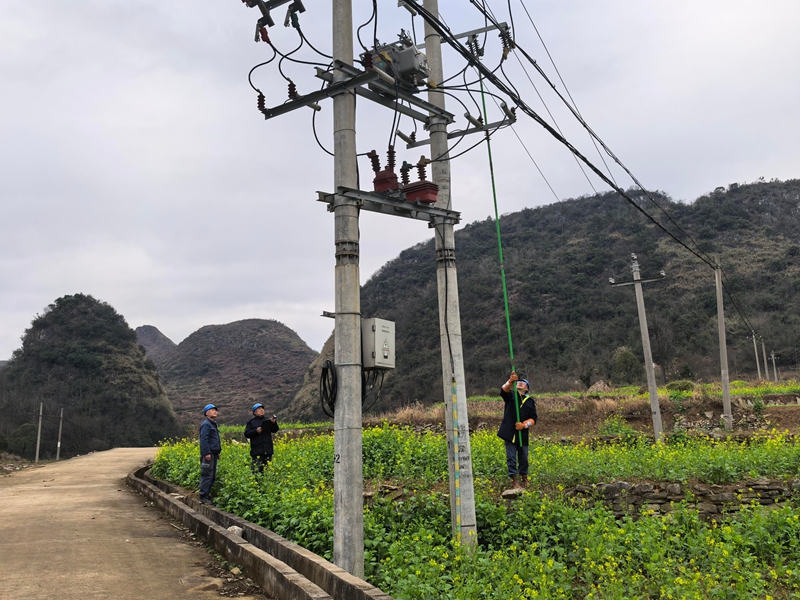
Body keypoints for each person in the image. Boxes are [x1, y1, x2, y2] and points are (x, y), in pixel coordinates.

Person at [497, 372, 537, 489]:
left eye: (523, 383)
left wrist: (524, 425)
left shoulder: (530, 402)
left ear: (527, 388)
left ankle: (524, 477)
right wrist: (510, 381)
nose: (520, 383)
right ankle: (514, 480)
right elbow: (503, 390)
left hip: (522, 434)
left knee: (524, 457)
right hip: (510, 433)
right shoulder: (511, 395)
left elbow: (533, 419)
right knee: (511, 457)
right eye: (518, 382)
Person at [244, 403, 279, 474]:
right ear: (255, 412)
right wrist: (256, 431)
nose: (261, 410)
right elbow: (247, 434)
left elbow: (275, 430)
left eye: (262, 409)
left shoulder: (268, 420)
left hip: (268, 450)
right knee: (256, 471)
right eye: (259, 409)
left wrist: (273, 423)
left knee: (267, 471)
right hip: (257, 451)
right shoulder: (251, 422)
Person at [199, 403, 221, 505]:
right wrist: (207, 453)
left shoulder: (213, 424)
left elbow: (214, 440)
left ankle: (207, 495)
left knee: (212, 476)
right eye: (212, 410)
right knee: (207, 475)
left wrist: (217, 452)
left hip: (213, 454)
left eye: (215, 410)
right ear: (207, 413)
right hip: (208, 455)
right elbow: (204, 440)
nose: (215, 411)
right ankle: (203, 496)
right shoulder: (206, 424)